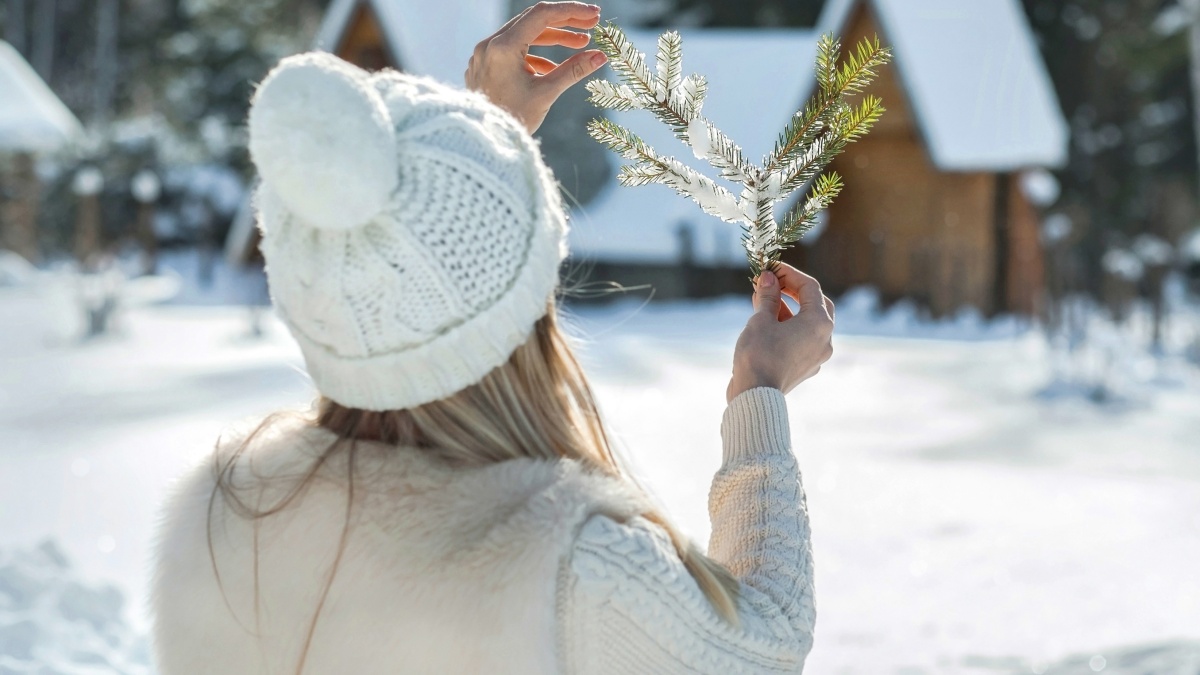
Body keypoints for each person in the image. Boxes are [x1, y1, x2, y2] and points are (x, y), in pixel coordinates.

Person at [149, 2, 835, 673]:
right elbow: (766, 647)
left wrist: (486, 150)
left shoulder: (226, 523)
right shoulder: (571, 570)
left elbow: (411, 285)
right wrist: (759, 396)